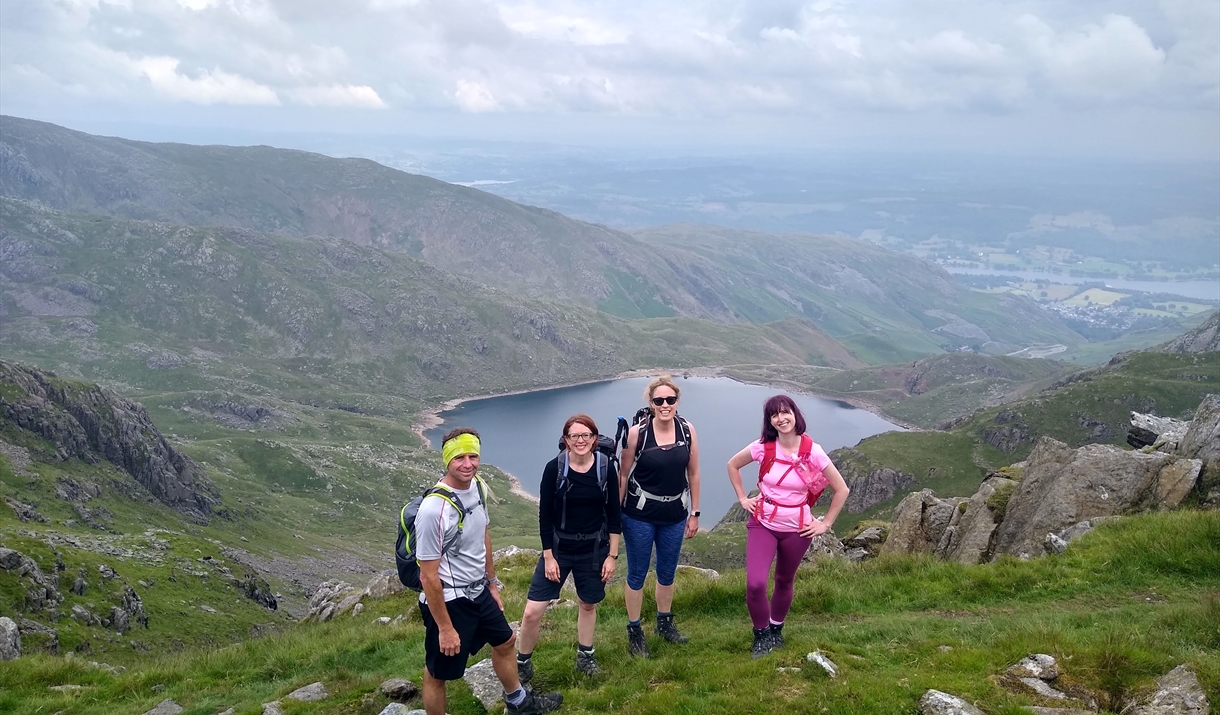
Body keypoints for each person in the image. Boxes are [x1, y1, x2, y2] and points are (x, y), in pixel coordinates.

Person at [416, 427, 563, 715]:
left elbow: (483, 536)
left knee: (506, 640)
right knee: (438, 672)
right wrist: (445, 628)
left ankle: (519, 702)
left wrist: (492, 584)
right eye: (460, 457)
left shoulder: (478, 487)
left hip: (478, 590)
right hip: (450, 600)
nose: (468, 464)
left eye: (473, 456)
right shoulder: (433, 510)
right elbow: (428, 575)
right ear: (446, 460)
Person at [726, 395, 851, 659]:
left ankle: (776, 630)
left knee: (784, 581)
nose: (781, 419)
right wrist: (742, 498)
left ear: (795, 414)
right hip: (764, 523)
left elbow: (841, 489)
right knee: (756, 584)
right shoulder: (763, 447)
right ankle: (761, 635)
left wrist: (825, 524)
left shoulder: (813, 451)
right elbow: (733, 465)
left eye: (785, 412)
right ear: (769, 421)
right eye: (774, 415)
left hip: (798, 528)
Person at [516, 415, 622, 682]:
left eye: (586, 435)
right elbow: (545, 516)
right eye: (575, 436)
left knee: (587, 604)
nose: (581, 441)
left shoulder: (605, 466)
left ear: (594, 439)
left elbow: (613, 513)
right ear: (566, 440)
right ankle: (522, 663)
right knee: (532, 612)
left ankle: (585, 656)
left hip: (593, 549)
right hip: (560, 548)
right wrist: (548, 556)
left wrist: (612, 555)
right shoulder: (554, 468)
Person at [617, 375, 701, 658]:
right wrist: (615, 517)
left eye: (670, 400)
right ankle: (635, 630)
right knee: (637, 574)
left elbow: (694, 473)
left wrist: (695, 513)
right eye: (658, 400)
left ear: (677, 401)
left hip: (675, 514)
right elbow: (623, 475)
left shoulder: (687, 430)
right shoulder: (636, 434)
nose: (665, 405)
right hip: (639, 515)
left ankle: (664, 623)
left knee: (667, 572)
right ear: (651, 403)